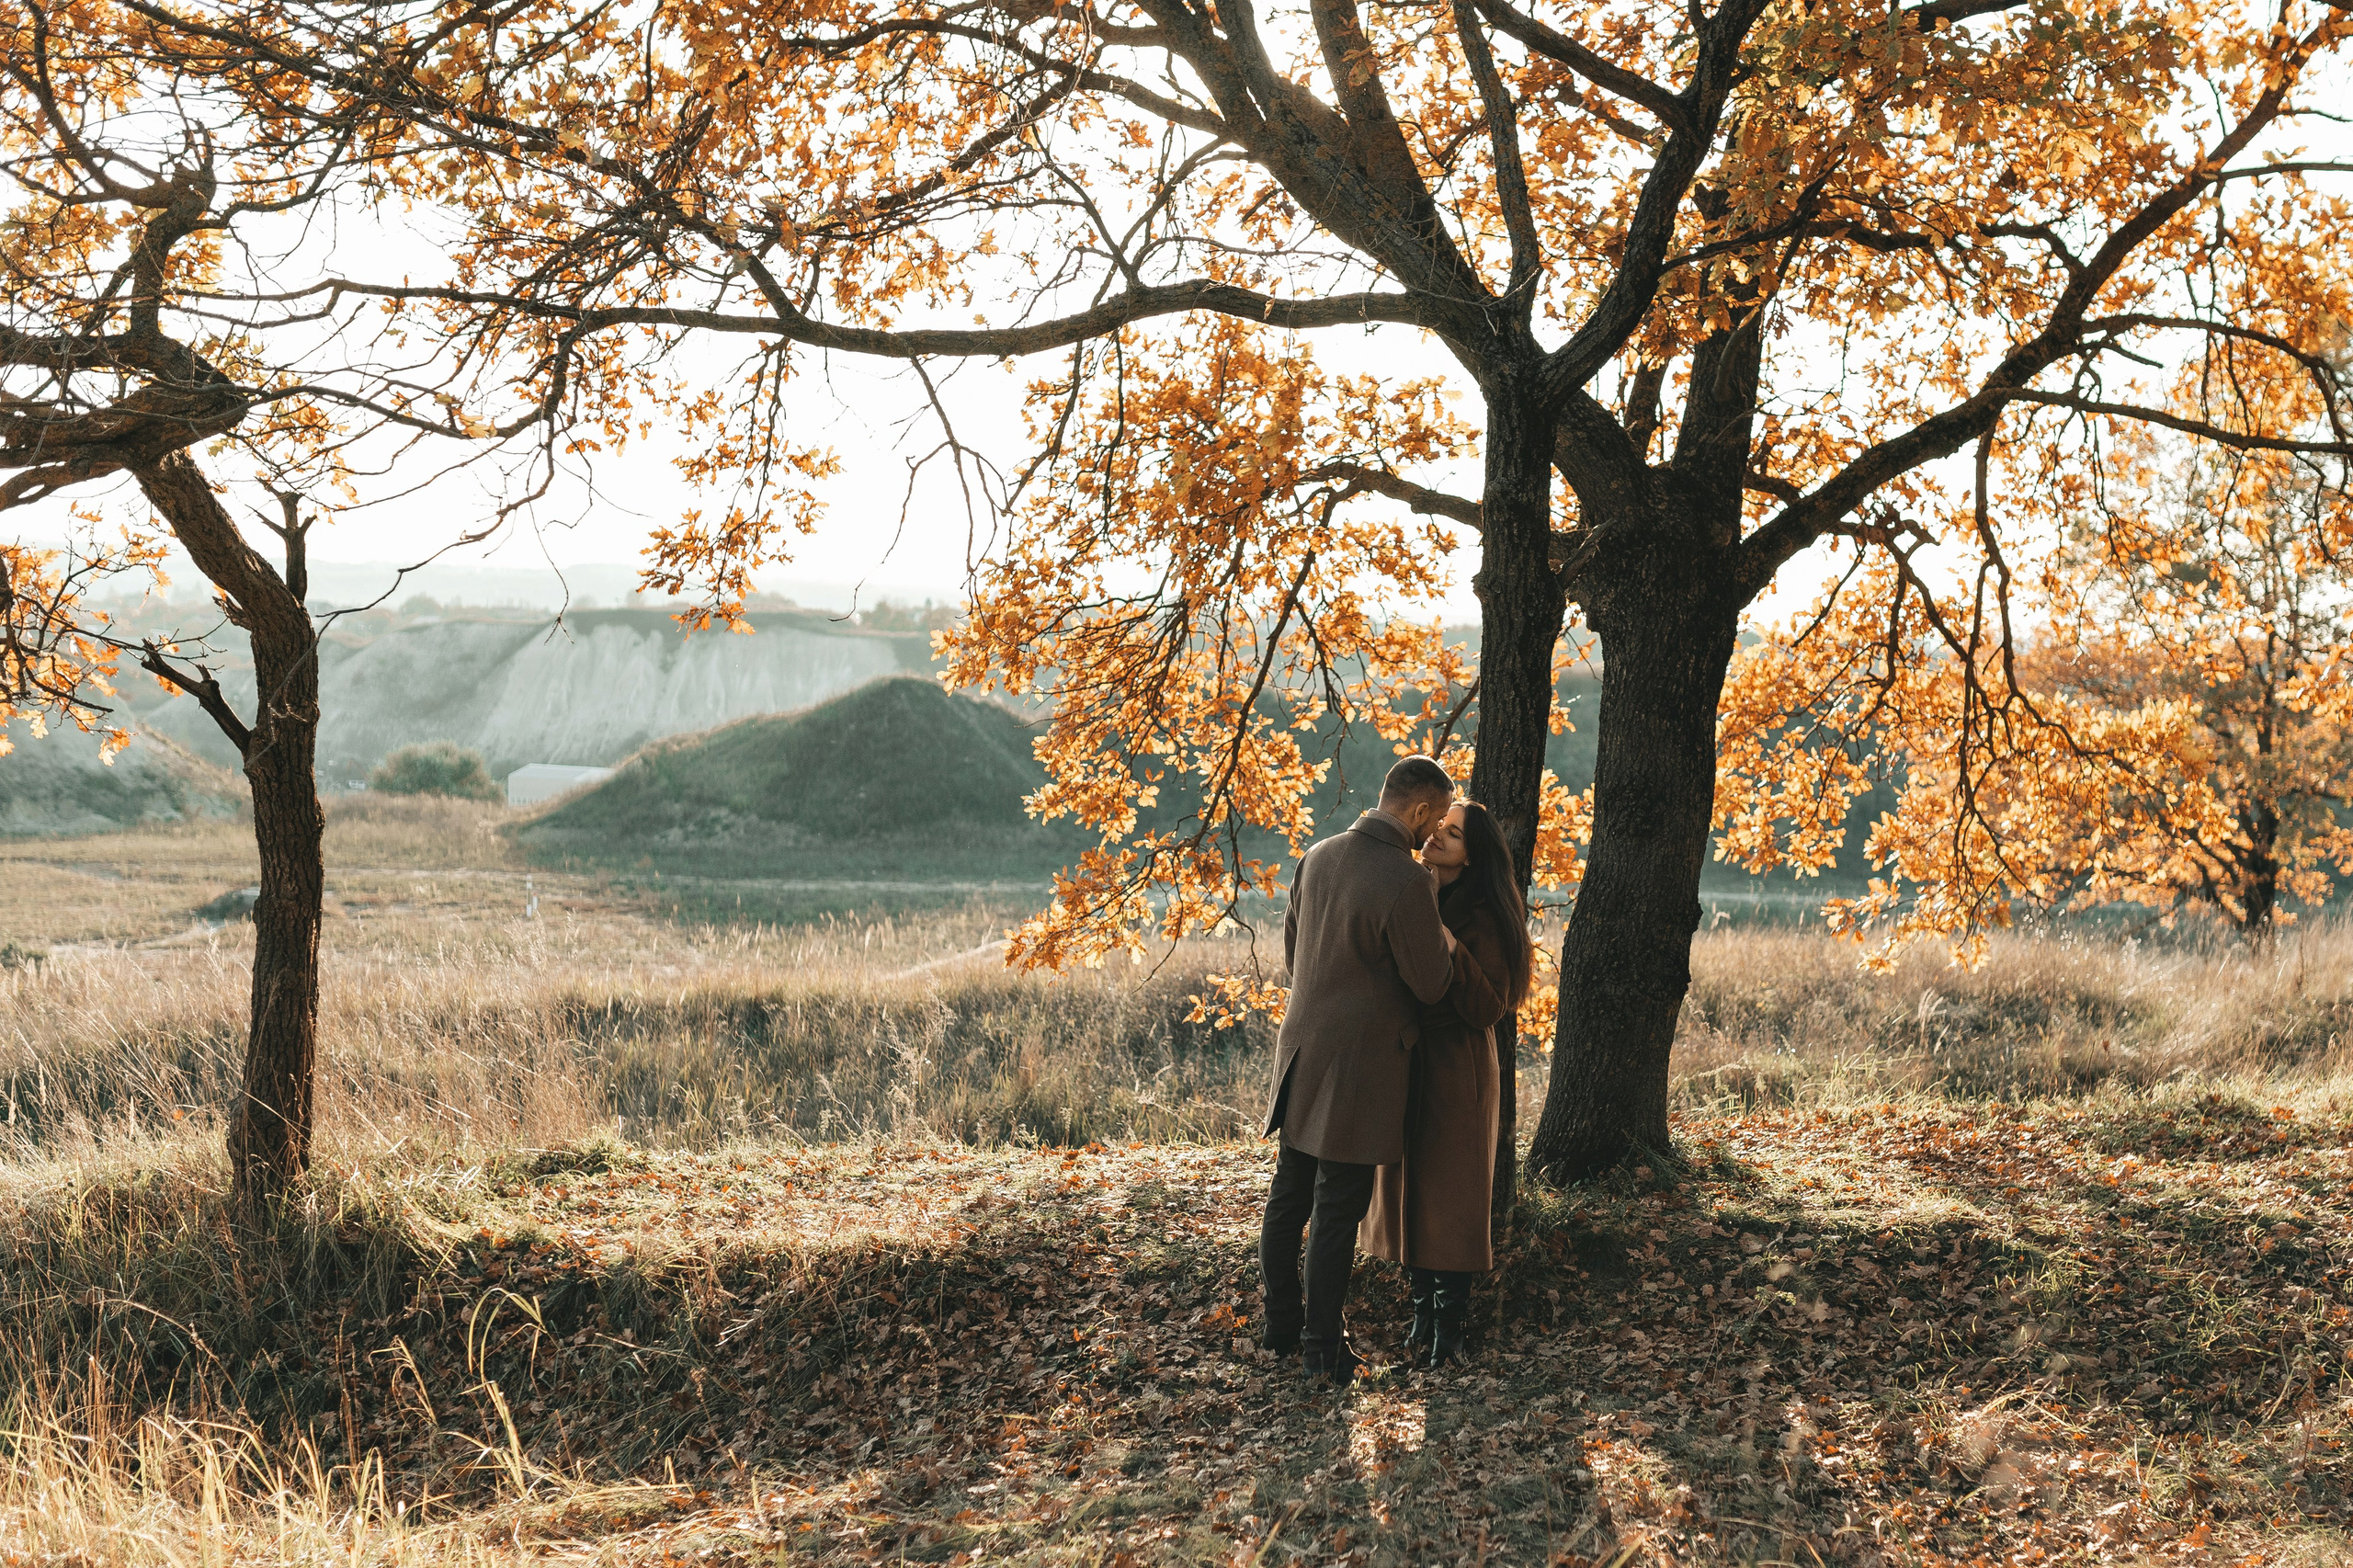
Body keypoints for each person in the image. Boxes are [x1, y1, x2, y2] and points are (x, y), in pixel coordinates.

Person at [1259, 756, 1459, 1383]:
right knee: (1337, 1207)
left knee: (1289, 1195)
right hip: (1359, 1066)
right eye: (1439, 820)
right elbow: (1430, 986)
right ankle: (1323, 1350)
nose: (1436, 835)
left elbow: (1295, 954)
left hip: (1301, 1048)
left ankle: (1280, 1327)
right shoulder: (1404, 882)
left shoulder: (1317, 855)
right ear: (1422, 810)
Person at [1360, 800, 1533, 1369]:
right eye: (1437, 827)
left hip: (1458, 1066)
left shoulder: (1485, 915)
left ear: (1472, 853)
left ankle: (1450, 1331)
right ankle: (1420, 1315)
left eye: (1452, 834)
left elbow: (1487, 1007)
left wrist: (1449, 944)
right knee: (1407, 1187)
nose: (1436, 837)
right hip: (1406, 1059)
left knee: (1452, 1196)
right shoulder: (1413, 890)